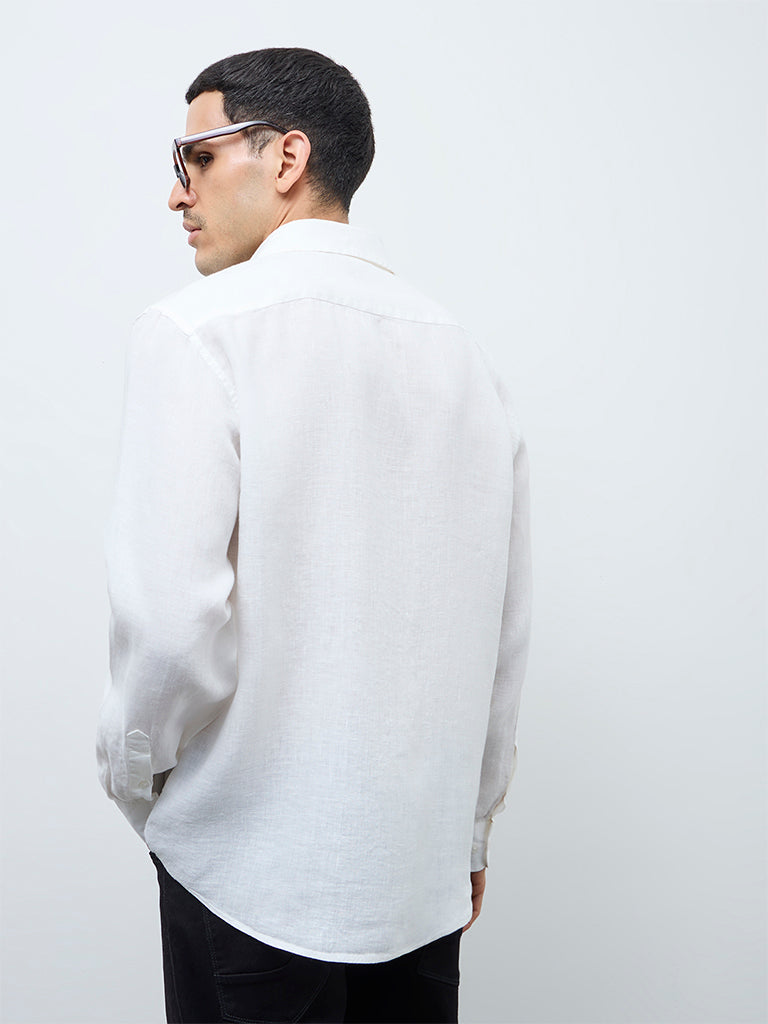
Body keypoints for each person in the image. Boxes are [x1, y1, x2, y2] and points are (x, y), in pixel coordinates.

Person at [95, 46, 532, 1024]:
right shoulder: (464, 358)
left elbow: (170, 626)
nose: (178, 192)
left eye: (197, 156)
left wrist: (140, 783)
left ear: (286, 156)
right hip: (417, 887)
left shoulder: (197, 331)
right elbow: (500, 635)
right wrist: (467, 834)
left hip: (245, 873)